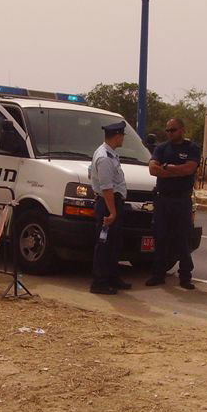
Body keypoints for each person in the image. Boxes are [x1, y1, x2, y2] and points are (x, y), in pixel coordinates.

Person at [146, 118, 201, 290]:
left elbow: (189, 169)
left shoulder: (192, 148)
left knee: (182, 238)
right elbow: (152, 169)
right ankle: (158, 274)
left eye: (173, 130)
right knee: (160, 237)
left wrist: (167, 168)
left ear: (182, 130)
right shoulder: (161, 148)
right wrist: (176, 171)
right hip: (163, 199)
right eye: (168, 130)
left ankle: (185, 276)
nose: (170, 133)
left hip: (182, 200)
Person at [89, 121, 131, 295]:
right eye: (122, 136)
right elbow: (107, 188)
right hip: (109, 204)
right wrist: (112, 212)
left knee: (114, 244)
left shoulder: (110, 153)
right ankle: (99, 282)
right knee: (104, 245)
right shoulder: (105, 157)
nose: (123, 139)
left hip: (111, 202)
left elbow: (91, 173)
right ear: (117, 136)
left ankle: (112, 277)